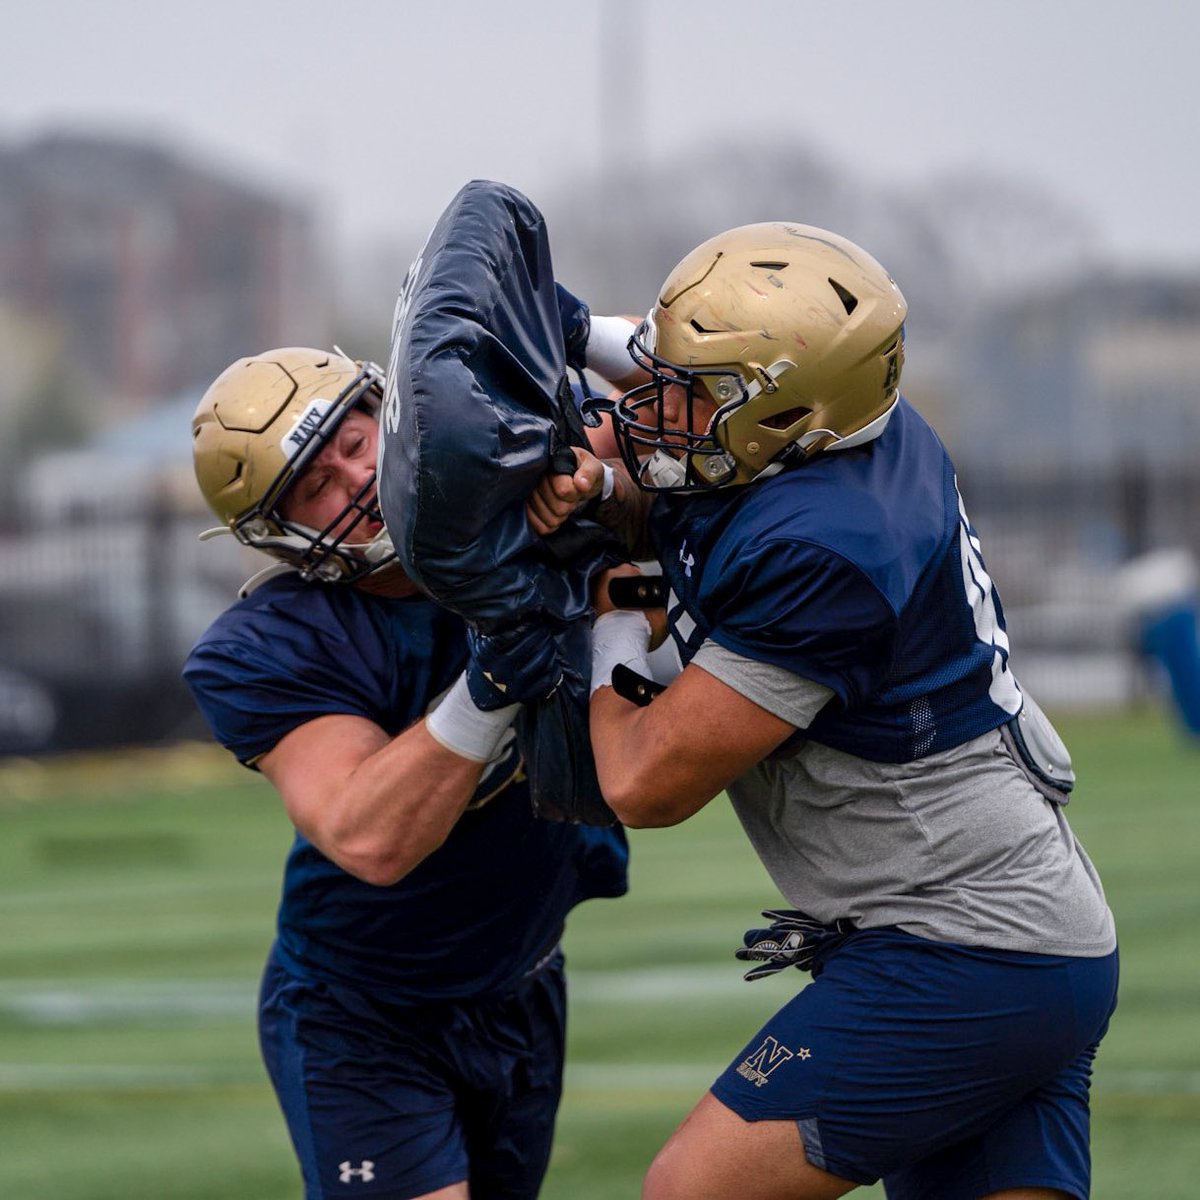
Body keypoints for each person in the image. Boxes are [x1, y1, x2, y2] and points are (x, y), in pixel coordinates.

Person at [529, 223, 1118, 1200]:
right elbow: (691, 379)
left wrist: (615, 604)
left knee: (690, 1191)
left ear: (786, 416)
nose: (648, 406)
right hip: (1025, 934)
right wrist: (569, 326)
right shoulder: (832, 427)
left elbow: (642, 780)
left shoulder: (828, 547)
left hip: (963, 946)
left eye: (685, 393)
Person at [183, 346, 629, 1200]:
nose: (353, 478)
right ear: (280, 533)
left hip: (525, 979)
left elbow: (641, 433)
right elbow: (368, 835)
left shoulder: (514, 506)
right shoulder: (268, 645)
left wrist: (593, 436)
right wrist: (490, 682)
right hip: (364, 1012)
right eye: (313, 484)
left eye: (355, 441)